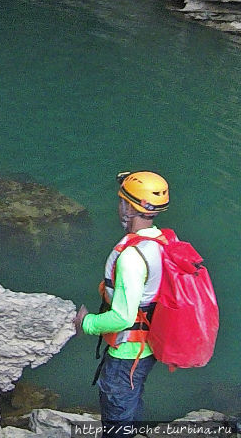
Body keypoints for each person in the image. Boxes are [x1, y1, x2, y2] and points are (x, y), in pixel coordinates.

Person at [73, 171, 170, 431]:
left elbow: (123, 317)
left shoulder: (132, 257)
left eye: (121, 201)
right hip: (148, 348)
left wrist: (87, 322)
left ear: (128, 207)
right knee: (131, 400)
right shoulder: (160, 242)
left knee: (117, 412)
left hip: (127, 353)